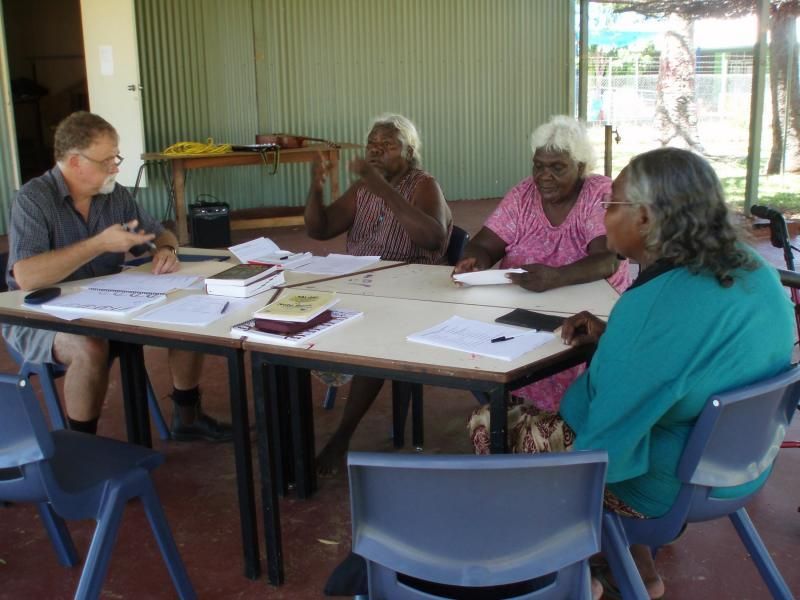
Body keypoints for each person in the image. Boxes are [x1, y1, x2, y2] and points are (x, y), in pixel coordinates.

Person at [558, 148, 793, 599]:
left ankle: (566, 568)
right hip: (742, 466)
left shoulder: (652, 307)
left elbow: (603, 442)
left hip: (668, 485)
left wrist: (625, 342)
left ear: (644, 218)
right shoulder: (755, 272)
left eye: (612, 204)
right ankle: (626, 562)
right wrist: (617, 339)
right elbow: (698, 351)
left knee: (491, 428)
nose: (604, 216)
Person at [2, 111, 232, 442]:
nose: (115, 167)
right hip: (39, 315)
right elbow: (27, 277)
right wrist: (97, 244)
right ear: (75, 162)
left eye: (116, 157)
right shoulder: (34, 199)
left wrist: (164, 251)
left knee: (192, 315)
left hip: (107, 304)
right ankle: (84, 447)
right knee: (89, 347)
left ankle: (187, 415)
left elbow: (159, 234)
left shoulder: (115, 195)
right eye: (107, 160)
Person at [456, 115, 631, 451]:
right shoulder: (523, 194)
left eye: (557, 167)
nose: (544, 177)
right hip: (524, 309)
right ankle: (528, 418)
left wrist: (556, 277)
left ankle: (559, 426)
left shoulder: (598, 194)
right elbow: (485, 243)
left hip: (587, 316)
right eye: (538, 166)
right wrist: (474, 259)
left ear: (581, 167)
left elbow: (607, 259)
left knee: (565, 352)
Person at [305, 113, 452, 474]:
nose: (376, 152)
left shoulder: (423, 185)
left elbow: (433, 239)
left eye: (387, 146)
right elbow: (320, 229)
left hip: (409, 293)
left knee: (373, 340)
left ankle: (342, 436)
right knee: (296, 320)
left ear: (409, 151)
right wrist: (316, 187)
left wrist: (381, 186)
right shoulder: (361, 189)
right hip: (361, 285)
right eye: (372, 146)